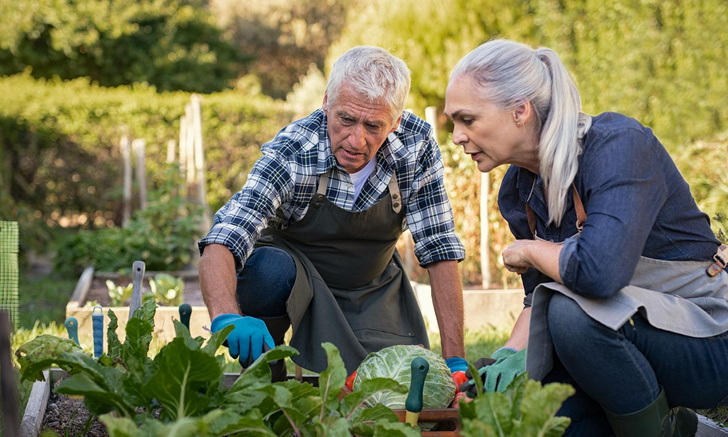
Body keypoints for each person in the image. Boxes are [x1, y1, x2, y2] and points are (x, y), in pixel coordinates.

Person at [444, 39, 728, 436]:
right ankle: (689, 431)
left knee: (571, 316)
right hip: (621, 335)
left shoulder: (618, 146)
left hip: (708, 334)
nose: (457, 136)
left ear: (520, 110)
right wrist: (507, 358)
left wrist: (531, 248)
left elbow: (600, 272)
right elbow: (538, 296)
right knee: (545, 417)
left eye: (467, 120)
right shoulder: (517, 191)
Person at [198, 46, 468, 382]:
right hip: (296, 279)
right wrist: (227, 316)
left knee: (385, 388)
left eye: (373, 125)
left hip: (372, 286)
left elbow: (439, 247)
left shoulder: (416, 145)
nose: (357, 140)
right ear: (327, 101)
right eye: (346, 119)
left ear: (396, 121)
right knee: (266, 271)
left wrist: (456, 360)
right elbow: (226, 235)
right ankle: (265, 377)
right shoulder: (295, 150)